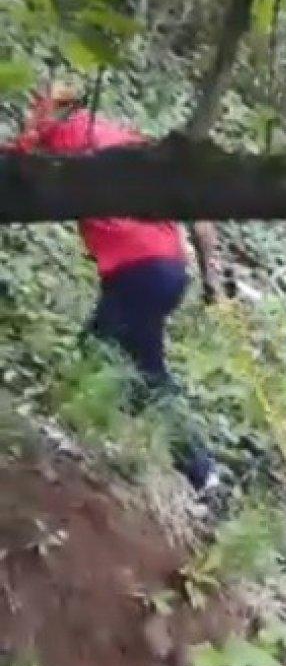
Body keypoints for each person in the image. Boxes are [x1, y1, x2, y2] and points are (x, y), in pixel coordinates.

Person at [5, 85, 221, 491]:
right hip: (167, 269)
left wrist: (34, 129)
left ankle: (65, 441)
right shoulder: (128, 141)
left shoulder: (65, 137)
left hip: (136, 270)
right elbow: (198, 207)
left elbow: (15, 168)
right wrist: (213, 280)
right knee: (143, 368)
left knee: (99, 355)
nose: (35, 115)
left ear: (59, 111)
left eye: (41, 108)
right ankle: (199, 469)